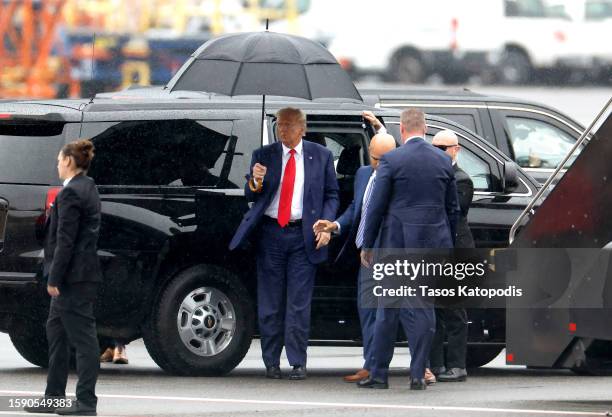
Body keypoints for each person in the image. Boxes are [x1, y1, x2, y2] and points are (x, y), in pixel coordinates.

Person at [229, 107, 339, 380]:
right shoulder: (264, 155)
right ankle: (271, 362)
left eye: (289, 125)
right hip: (271, 234)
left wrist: (326, 221)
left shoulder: (320, 155)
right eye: (279, 125)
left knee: (298, 303)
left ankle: (298, 361)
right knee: (270, 302)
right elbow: (249, 193)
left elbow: (332, 194)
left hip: (304, 235)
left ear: (303, 128)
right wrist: (255, 180)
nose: (283, 130)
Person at [357, 109, 459, 390]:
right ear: (425, 128)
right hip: (432, 247)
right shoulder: (443, 161)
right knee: (424, 310)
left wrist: (368, 244)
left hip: (395, 246)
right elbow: (453, 209)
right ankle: (418, 373)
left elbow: (376, 207)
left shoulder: (391, 160)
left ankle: (378, 375)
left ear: (402, 129)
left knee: (386, 310)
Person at [313, 125, 396, 383]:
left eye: (384, 160)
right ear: (368, 152)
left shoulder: (398, 177)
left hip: (389, 253)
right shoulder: (362, 174)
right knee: (367, 311)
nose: (379, 165)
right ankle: (370, 364)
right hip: (365, 255)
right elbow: (355, 207)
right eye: (374, 158)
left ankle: (390, 367)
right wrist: (335, 225)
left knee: (389, 314)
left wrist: (383, 128)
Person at [25, 140, 102, 416]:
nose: (57, 163)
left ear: (69, 160)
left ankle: (86, 402)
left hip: (73, 278)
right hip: (79, 274)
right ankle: (53, 396)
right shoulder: (88, 187)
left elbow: (65, 241)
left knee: (83, 338)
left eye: (59, 159)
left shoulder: (71, 193)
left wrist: (53, 278)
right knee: (56, 334)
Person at [429, 130, 474, 382]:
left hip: (455, 251)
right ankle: (436, 363)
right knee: (434, 310)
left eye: (442, 148)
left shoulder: (461, 179)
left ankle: (457, 364)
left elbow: (452, 214)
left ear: (455, 150)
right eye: (433, 147)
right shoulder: (437, 176)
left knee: (455, 310)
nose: (437, 153)